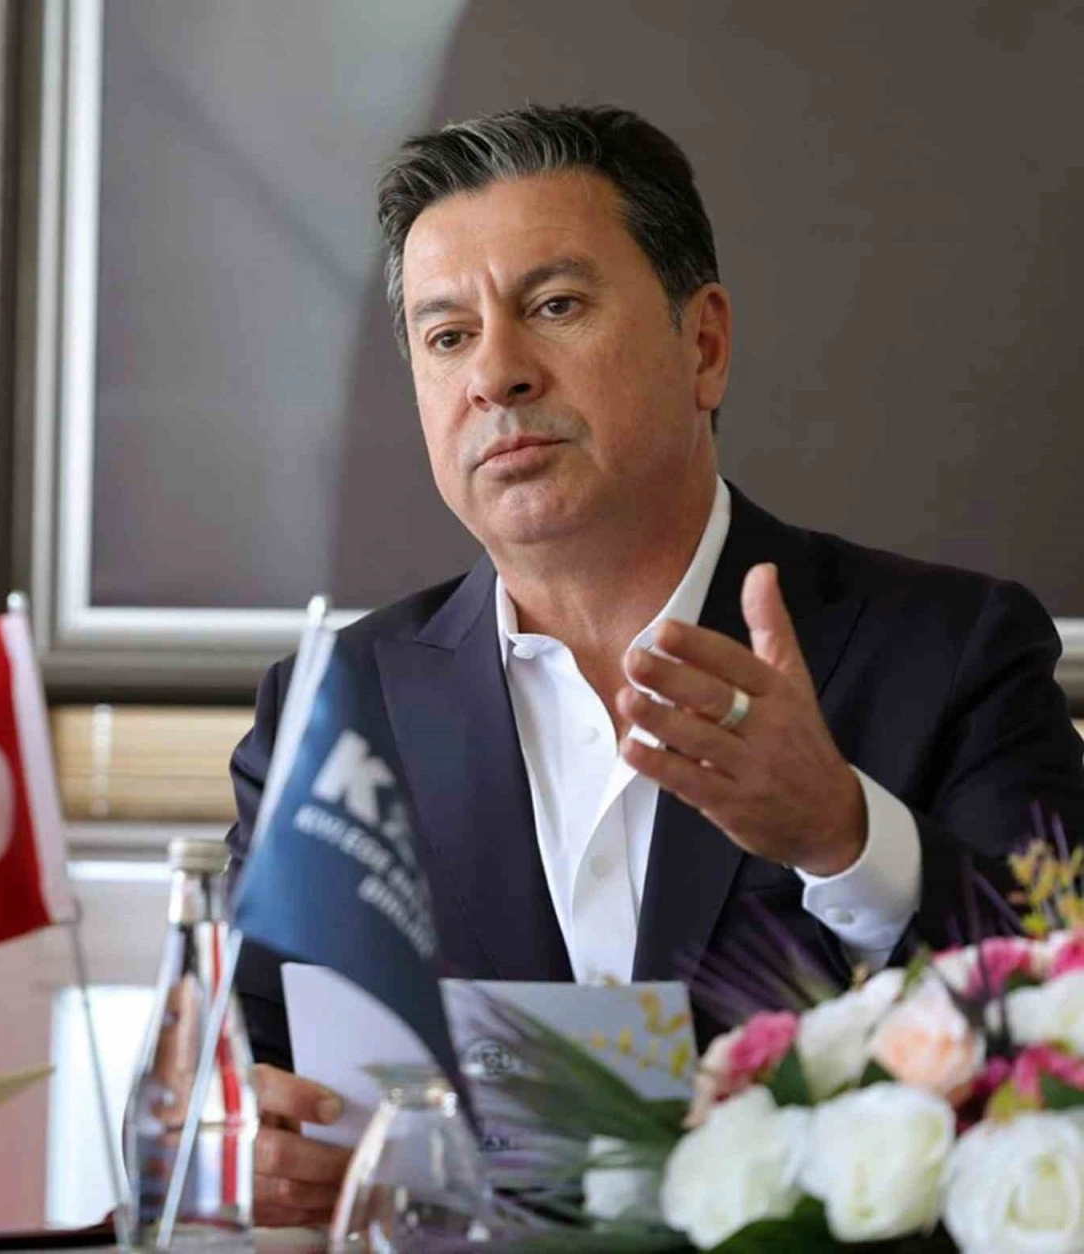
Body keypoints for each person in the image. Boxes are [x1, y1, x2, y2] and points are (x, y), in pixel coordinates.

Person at [226, 104, 1084, 1226]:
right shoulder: (334, 715)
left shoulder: (948, 652)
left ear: (703, 345)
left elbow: (1062, 1016)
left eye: (554, 306)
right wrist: (254, 1146)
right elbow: (251, 1073)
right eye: (447, 336)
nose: (495, 375)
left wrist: (842, 836)